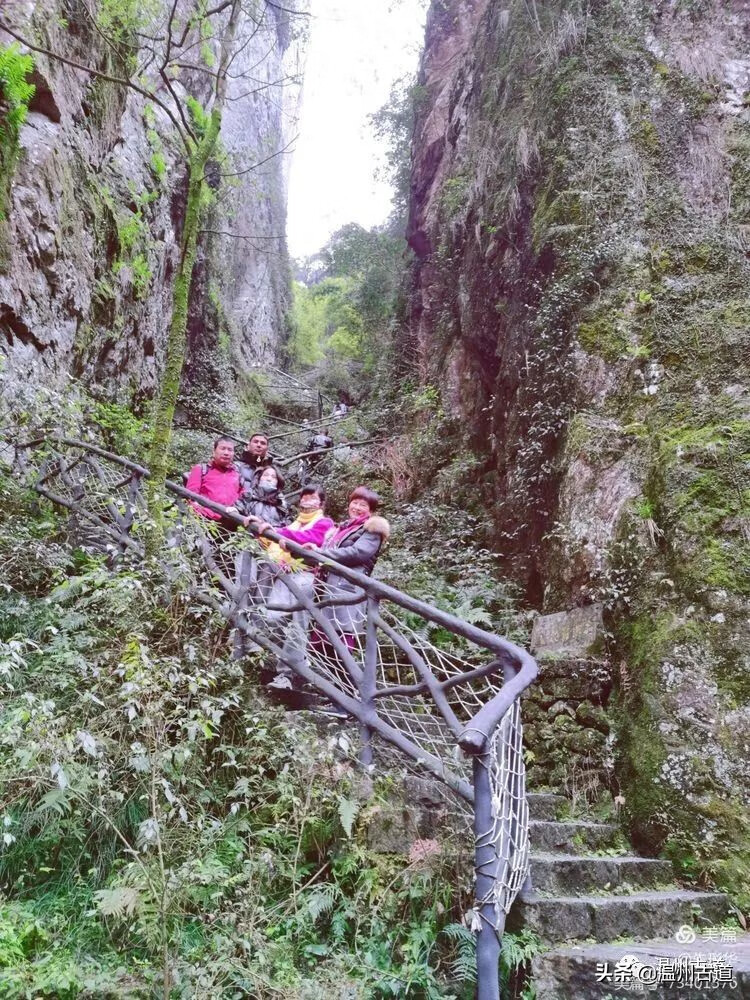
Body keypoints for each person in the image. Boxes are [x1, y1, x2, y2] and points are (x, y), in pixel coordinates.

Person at [244, 484, 334, 692]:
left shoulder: (325, 522)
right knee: (272, 616)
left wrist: (276, 532)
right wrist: (260, 528)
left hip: (307, 576)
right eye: (304, 497)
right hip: (285, 575)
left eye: (313, 498)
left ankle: (290, 673)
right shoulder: (294, 523)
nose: (307, 501)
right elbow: (275, 542)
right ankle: (285, 663)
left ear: (321, 502)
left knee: (297, 623)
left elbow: (312, 538)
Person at [184, 436, 244, 528]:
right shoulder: (200, 469)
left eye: (230, 450)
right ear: (214, 451)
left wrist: (236, 510)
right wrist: (204, 513)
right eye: (222, 449)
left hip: (230, 523)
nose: (226, 453)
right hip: (204, 520)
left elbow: (243, 498)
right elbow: (190, 497)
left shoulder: (238, 475)